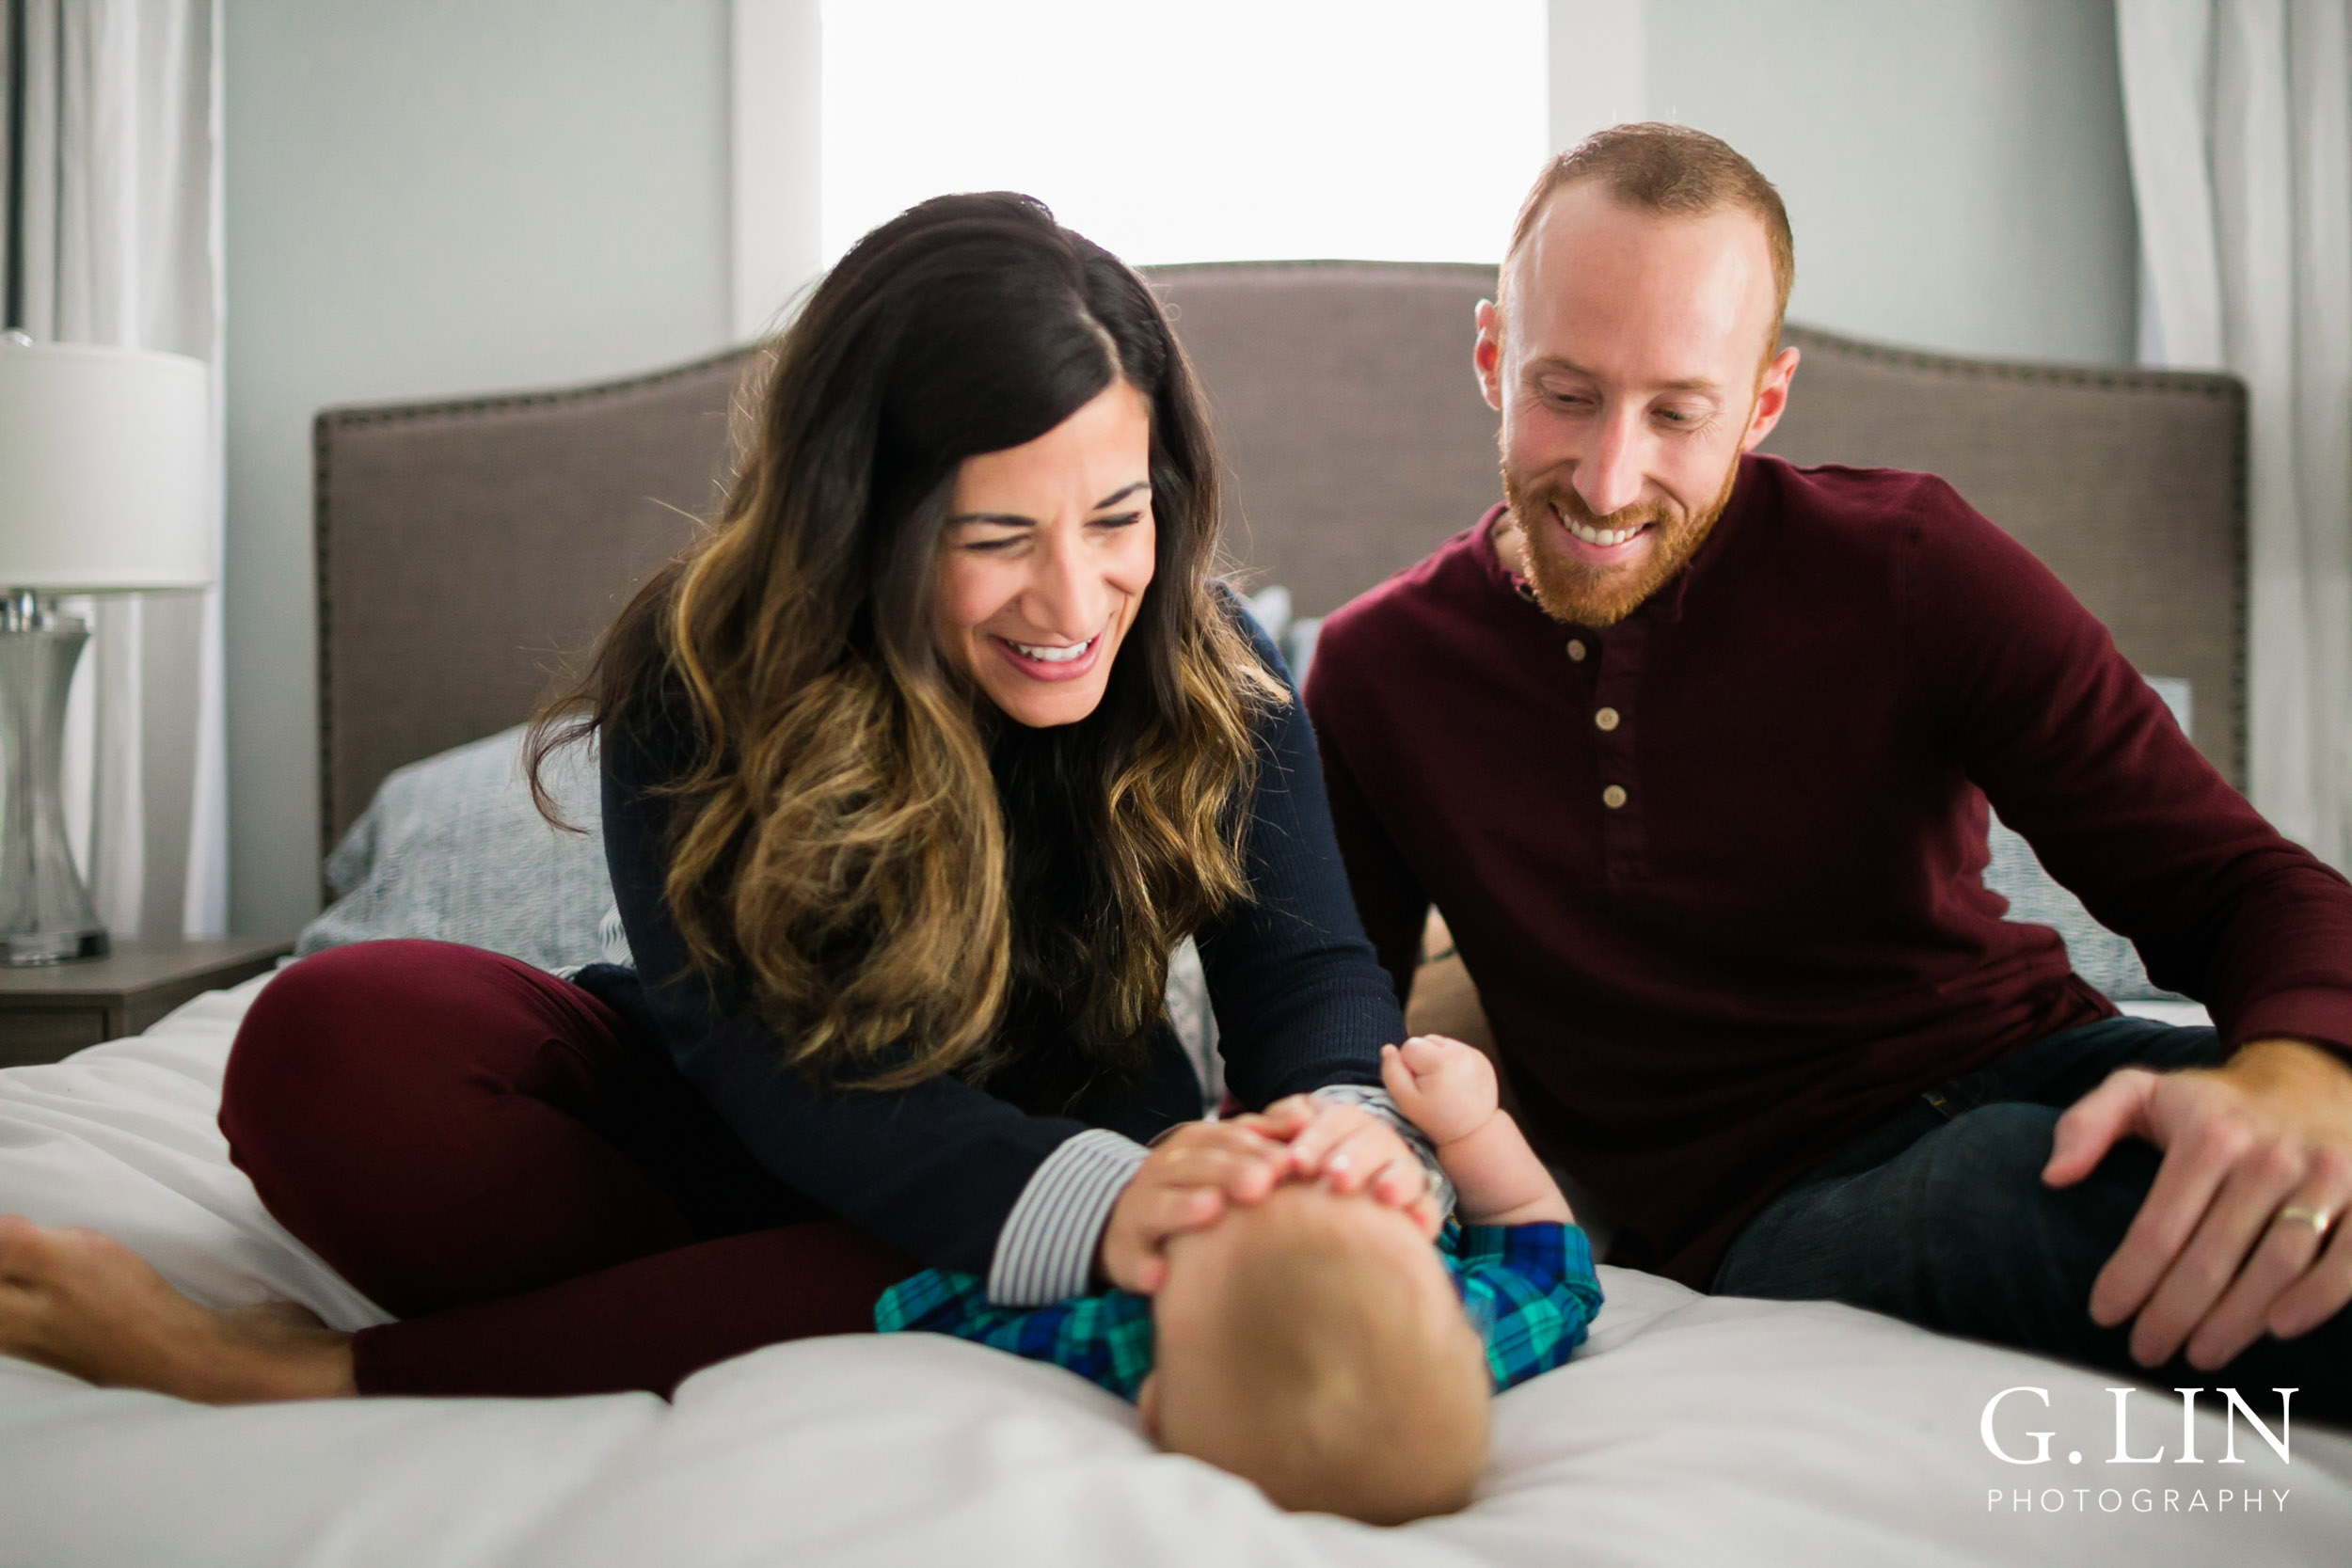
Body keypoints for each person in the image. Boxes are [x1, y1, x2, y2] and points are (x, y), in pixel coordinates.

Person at [0, 193, 1441, 1403]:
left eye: (1119, 519)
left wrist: (1345, 1136)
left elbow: (1309, 970)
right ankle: (822, 1292)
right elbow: (771, 1075)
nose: (1075, 598)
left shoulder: (1204, 659)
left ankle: (304, 1372)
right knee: (328, 1037)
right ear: (860, 518)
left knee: (1006, 1226)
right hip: (751, 1132)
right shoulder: (703, 674)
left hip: (1066, 1171)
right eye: (996, 536)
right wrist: (1108, 1208)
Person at [1302, 123, 2352, 1416]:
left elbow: (2237, 880)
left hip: (2048, 1055)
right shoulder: (1371, 673)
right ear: (1489, 356)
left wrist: (2301, 1077)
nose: (1607, 473)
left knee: (2232, 1144)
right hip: (1774, 1204)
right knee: (2013, 1190)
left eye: (1678, 411)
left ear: (1764, 400)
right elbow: (1327, 1029)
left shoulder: (1914, 562)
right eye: (1564, 392)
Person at [876, 1035, 1601, 1525]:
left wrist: (1098, 1210)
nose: (1291, 1153)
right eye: (1361, 1198)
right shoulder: (1473, 1325)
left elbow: (918, 1308)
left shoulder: (1120, 1337)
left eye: (1221, 1207)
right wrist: (1472, 1127)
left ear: (1152, 1400)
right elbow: (1547, 1255)